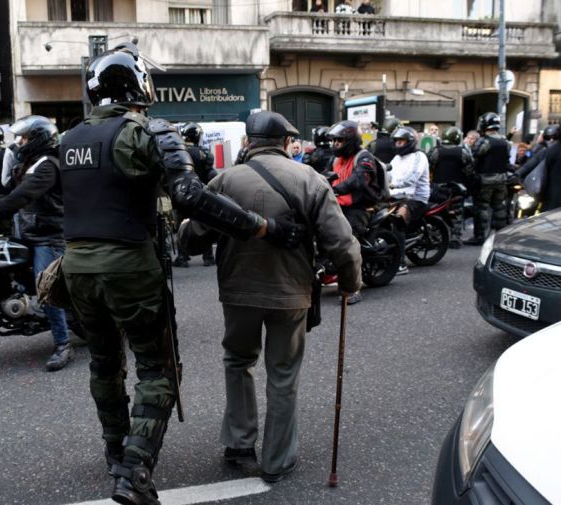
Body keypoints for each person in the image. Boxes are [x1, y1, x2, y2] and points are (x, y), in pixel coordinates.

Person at [59, 43, 305, 505]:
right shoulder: (149, 131)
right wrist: (264, 228)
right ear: (138, 85)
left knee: (104, 362)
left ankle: (117, 453)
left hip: (77, 269)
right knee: (158, 370)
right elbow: (191, 194)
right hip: (130, 265)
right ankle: (134, 474)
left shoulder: (68, 139)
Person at [178, 111, 362, 484]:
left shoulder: (224, 180)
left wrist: (181, 228)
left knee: (238, 361)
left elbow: (192, 238)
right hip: (291, 292)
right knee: (282, 374)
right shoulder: (310, 179)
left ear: (249, 142)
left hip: (238, 290)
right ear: (284, 143)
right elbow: (342, 244)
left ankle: (239, 441)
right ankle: (277, 460)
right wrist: (349, 282)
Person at [0, 115, 73, 372]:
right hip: (30, 232)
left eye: (24, 137)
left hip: (50, 235)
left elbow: (26, 193)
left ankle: (63, 344)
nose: (19, 142)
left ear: (38, 139)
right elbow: (12, 189)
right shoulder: (29, 162)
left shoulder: (48, 165)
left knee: (45, 286)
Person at [329, 120, 387, 302]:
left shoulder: (364, 157)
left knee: (348, 241)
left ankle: (353, 288)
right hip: (340, 203)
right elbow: (326, 175)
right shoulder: (337, 159)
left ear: (351, 140)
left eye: (339, 140)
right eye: (334, 140)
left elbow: (359, 180)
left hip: (361, 206)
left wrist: (336, 189)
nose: (335, 144)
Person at [173, 122, 217, 267]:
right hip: (201, 194)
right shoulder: (204, 154)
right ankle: (208, 257)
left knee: (182, 225)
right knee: (204, 224)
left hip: (183, 194)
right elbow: (211, 175)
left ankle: (182, 257)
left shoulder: (179, 153)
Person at [389, 126, 430, 273]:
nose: (398, 144)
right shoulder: (397, 158)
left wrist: (394, 184)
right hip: (397, 195)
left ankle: (400, 263)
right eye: (397, 141)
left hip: (415, 198)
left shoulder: (420, 157)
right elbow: (388, 172)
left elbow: (412, 178)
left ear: (410, 142)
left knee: (398, 221)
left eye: (401, 141)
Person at [465, 113, 509, 246]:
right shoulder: (505, 141)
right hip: (501, 179)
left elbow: (474, 155)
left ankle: (479, 236)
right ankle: (501, 235)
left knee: (482, 208)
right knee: (499, 207)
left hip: (486, 180)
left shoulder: (485, 141)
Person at [428, 126, 473, 247]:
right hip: (457, 187)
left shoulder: (436, 151)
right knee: (456, 213)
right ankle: (455, 238)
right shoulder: (463, 152)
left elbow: (429, 167)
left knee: (437, 212)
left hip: (439, 187)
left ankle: (437, 237)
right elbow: (469, 171)